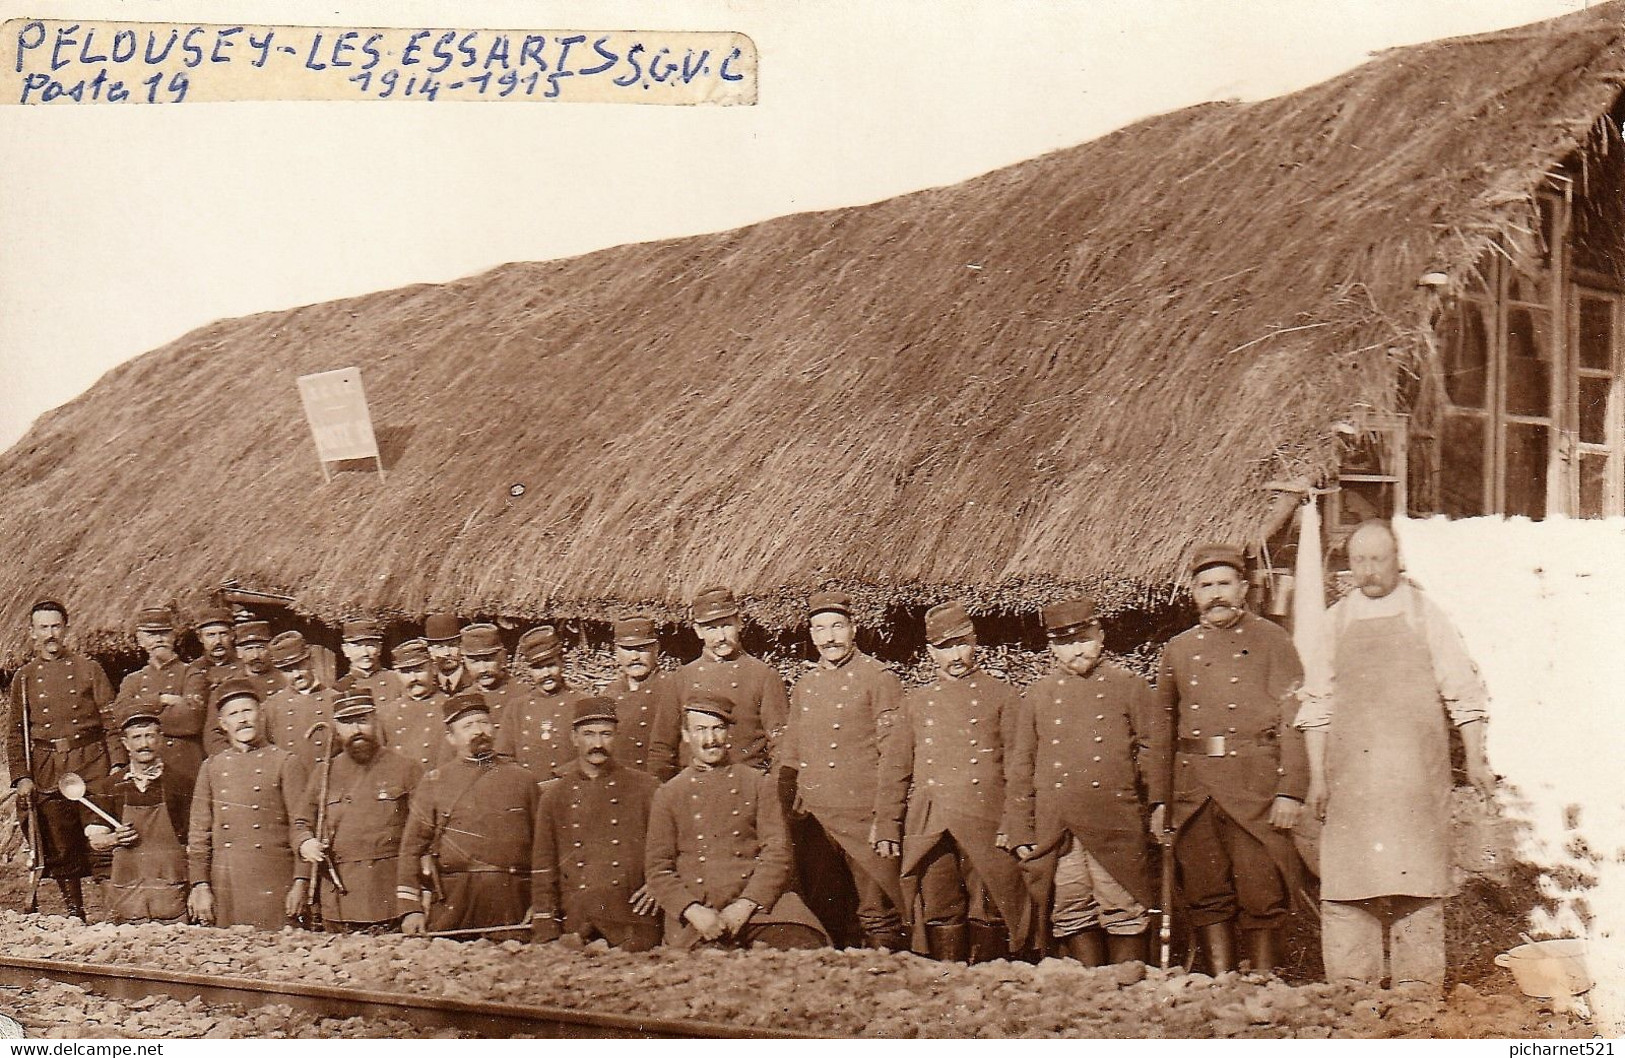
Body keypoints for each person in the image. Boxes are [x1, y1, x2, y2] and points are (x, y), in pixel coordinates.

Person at [1297, 520, 1493, 993]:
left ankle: (1417, 992)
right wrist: (1318, 780)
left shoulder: (1427, 615)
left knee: (1418, 886)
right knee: (1348, 887)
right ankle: (1350, 992)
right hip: (1353, 786)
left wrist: (1477, 758)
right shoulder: (1336, 621)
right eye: (1359, 561)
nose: (1368, 571)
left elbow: (1464, 691)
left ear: (1397, 560)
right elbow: (1316, 704)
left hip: (1415, 782)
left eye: (1377, 559)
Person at [1147, 543, 1308, 975]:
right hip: (1194, 790)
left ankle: (1262, 983)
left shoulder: (1273, 640)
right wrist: (1160, 800)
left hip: (1252, 788)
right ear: (1193, 592)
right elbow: (1161, 729)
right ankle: (1220, 986)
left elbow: (1295, 719)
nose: (1215, 594)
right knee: (1205, 890)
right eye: (1205, 586)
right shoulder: (1178, 650)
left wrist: (1291, 790)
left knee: (1260, 889)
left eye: (1224, 584)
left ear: (1243, 588)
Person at [1006, 597, 1155, 965]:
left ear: (1100, 636)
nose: (1077, 649)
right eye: (1065, 642)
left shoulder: (1129, 686)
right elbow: (1022, 764)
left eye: (1084, 638)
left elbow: (1154, 751)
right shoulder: (1039, 694)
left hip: (1113, 820)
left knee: (1121, 905)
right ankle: (1088, 997)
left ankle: (1127, 995)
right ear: (1053, 647)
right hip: (1058, 826)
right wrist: (1020, 827)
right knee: (1071, 907)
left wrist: (1156, 806)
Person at [897, 601, 1034, 962]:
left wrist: (1013, 821)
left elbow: (1020, 767)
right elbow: (895, 770)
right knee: (940, 904)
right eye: (943, 648)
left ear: (974, 642)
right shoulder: (916, 702)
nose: (955, 655)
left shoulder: (1002, 695)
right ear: (930, 652)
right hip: (932, 822)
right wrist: (885, 824)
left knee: (989, 905)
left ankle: (988, 986)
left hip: (985, 819)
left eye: (961, 643)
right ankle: (948, 987)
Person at [776, 590, 910, 951]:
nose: (830, 637)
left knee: (876, 910)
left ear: (853, 628)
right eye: (820, 629)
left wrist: (887, 820)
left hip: (863, 819)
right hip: (817, 822)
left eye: (837, 626)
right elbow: (793, 750)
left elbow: (893, 755)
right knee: (827, 910)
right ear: (811, 634)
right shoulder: (806, 686)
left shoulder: (879, 679)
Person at [645, 698, 827, 950]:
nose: (711, 739)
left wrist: (746, 905)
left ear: (729, 732)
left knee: (805, 952)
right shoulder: (669, 794)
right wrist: (693, 910)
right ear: (686, 735)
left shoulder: (757, 783)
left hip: (763, 909)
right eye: (701, 730)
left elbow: (777, 854)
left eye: (718, 728)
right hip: (700, 915)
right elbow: (658, 870)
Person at [6, 599, 116, 920]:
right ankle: (74, 913)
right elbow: (16, 733)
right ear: (32, 633)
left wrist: (118, 764)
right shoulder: (24, 678)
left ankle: (114, 912)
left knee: (101, 841)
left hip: (91, 762)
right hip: (47, 767)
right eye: (43, 628)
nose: (50, 634)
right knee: (62, 845)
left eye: (56, 626)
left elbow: (110, 721)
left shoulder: (89, 668)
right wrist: (22, 776)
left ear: (66, 628)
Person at [397, 690, 540, 939]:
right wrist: (411, 910)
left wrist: (543, 905)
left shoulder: (523, 779)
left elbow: (545, 848)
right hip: (454, 902)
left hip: (513, 900)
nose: (479, 731)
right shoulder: (435, 781)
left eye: (484, 723)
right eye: (468, 726)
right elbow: (412, 849)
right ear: (451, 738)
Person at [531, 697, 663, 950]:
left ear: (617, 736)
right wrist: (546, 926)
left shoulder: (646, 788)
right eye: (588, 734)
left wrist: (658, 884)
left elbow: (668, 849)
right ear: (574, 738)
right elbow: (544, 868)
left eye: (606, 734)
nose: (598, 744)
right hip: (577, 921)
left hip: (633, 918)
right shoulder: (555, 797)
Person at [293, 689, 422, 933]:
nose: (356, 730)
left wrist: (414, 902)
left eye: (363, 720)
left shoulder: (406, 768)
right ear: (336, 728)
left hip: (390, 898)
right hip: (339, 899)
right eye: (346, 723)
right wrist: (305, 843)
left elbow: (424, 835)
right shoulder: (324, 773)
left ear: (376, 720)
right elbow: (301, 822)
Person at [187, 677, 310, 929]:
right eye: (233, 714)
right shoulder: (212, 767)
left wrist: (301, 881)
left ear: (261, 713)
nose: (242, 719)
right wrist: (199, 884)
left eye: (247, 710)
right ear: (223, 724)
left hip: (276, 881)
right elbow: (199, 834)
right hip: (228, 883)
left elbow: (302, 826)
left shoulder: (286, 762)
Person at [82, 700, 199, 923]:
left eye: (150, 736)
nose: (144, 744)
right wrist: (114, 838)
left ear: (161, 739)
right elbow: (95, 840)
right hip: (128, 898)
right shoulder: (110, 786)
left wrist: (196, 887)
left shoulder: (181, 783)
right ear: (125, 743)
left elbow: (196, 843)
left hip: (172, 896)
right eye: (137, 737)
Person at [663, 586, 788, 772]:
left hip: (747, 788)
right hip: (695, 789)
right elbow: (662, 748)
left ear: (739, 623)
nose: (721, 637)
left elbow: (782, 744)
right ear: (698, 631)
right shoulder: (681, 679)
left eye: (726, 625)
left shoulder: (763, 675)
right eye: (711, 629)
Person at [113, 606, 203, 772]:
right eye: (151, 635)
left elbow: (192, 720)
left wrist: (139, 712)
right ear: (140, 640)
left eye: (164, 633)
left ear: (174, 636)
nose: (159, 639)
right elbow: (120, 715)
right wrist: (162, 700)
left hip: (184, 763)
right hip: (145, 764)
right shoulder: (132, 680)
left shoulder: (191, 672)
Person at [491, 626, 589, 777]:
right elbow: (504, 757)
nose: (546, 674)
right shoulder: (517, 707)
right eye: (538, 668)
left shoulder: (582, 702)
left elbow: (594, 751)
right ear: (529, 670)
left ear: (562, 662)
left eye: (551, 665)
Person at [599, 617, 681, 778]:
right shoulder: (609, 694)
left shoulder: (673, 687)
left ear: (656, 648)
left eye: (642, 648)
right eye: (627, 649)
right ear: (616, 651)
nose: (635, 656)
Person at [202, 620, 281, 758]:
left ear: (270, 650)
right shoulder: (226, 688)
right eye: (249, 649)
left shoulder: (284, 682)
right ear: (238, 652)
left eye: (261, 648)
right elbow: (213, 735)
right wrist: (235, 759)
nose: (255, 655)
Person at [261, 631, 336, 771]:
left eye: (300, 666)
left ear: (310, 661)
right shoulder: (272, 706)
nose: (296, 675)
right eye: (288, 670)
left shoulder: (335, 699)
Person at [373, 638, 449, 771]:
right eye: (406, 672)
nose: (414, 678)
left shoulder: (450, 707)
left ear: (434, 668)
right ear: (396, 674)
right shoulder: (386, 715)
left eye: (419, 669)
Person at [181, 607, 240, 725]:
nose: (218, 641)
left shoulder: (244, 666)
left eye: (223, 634)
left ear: (232, 635)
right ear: (200, 638)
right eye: (210, 635)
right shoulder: (192, 670)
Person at [335, 618, 403, 698]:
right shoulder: (339, 688)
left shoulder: (397, 680)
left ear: (379, 648)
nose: (365, 653)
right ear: (345, 650)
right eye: (358, 646)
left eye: (370, 645)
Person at [423, 614, 469, 696]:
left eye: (452, 645)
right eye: (440, 647)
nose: (447, 652)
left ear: (461, 646)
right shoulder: (428, 687)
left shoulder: (473, 681)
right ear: (431, 652)